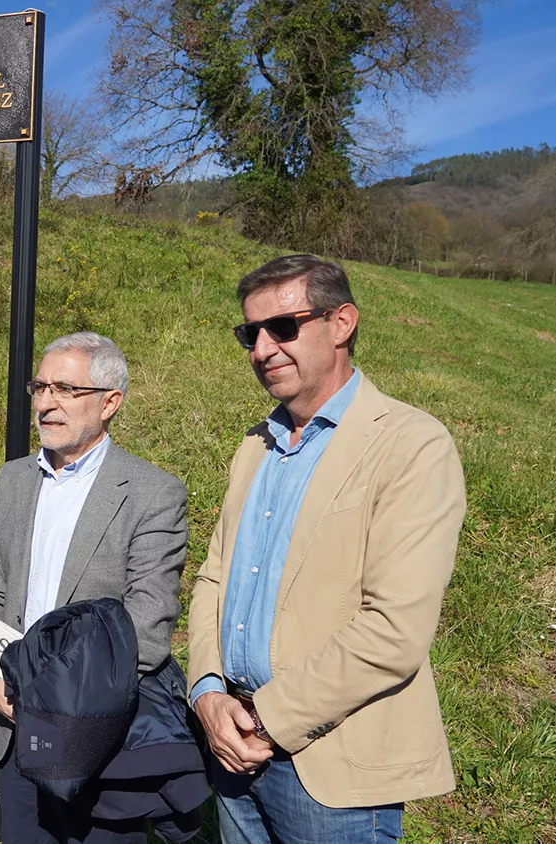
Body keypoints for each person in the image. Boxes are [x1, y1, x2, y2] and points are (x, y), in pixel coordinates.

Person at [187, 254, 466, 843]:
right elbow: (214, 579)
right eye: (250, 333)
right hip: (231, 741)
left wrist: (267, 720)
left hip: (330, 761)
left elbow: (394, 629)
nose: (263, 349)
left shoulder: (411, 445)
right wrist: (208, 693)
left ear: (342, 323)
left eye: (283, 327)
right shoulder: (255, 446)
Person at [0, 331, 189, 844]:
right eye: (40, 387)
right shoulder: (12, 481)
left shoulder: (152, 494)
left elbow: (146, 628)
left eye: (66, 389)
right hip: (14, 727)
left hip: (100, 744)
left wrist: (55, 701)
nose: (46, 403)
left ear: (110, 402)